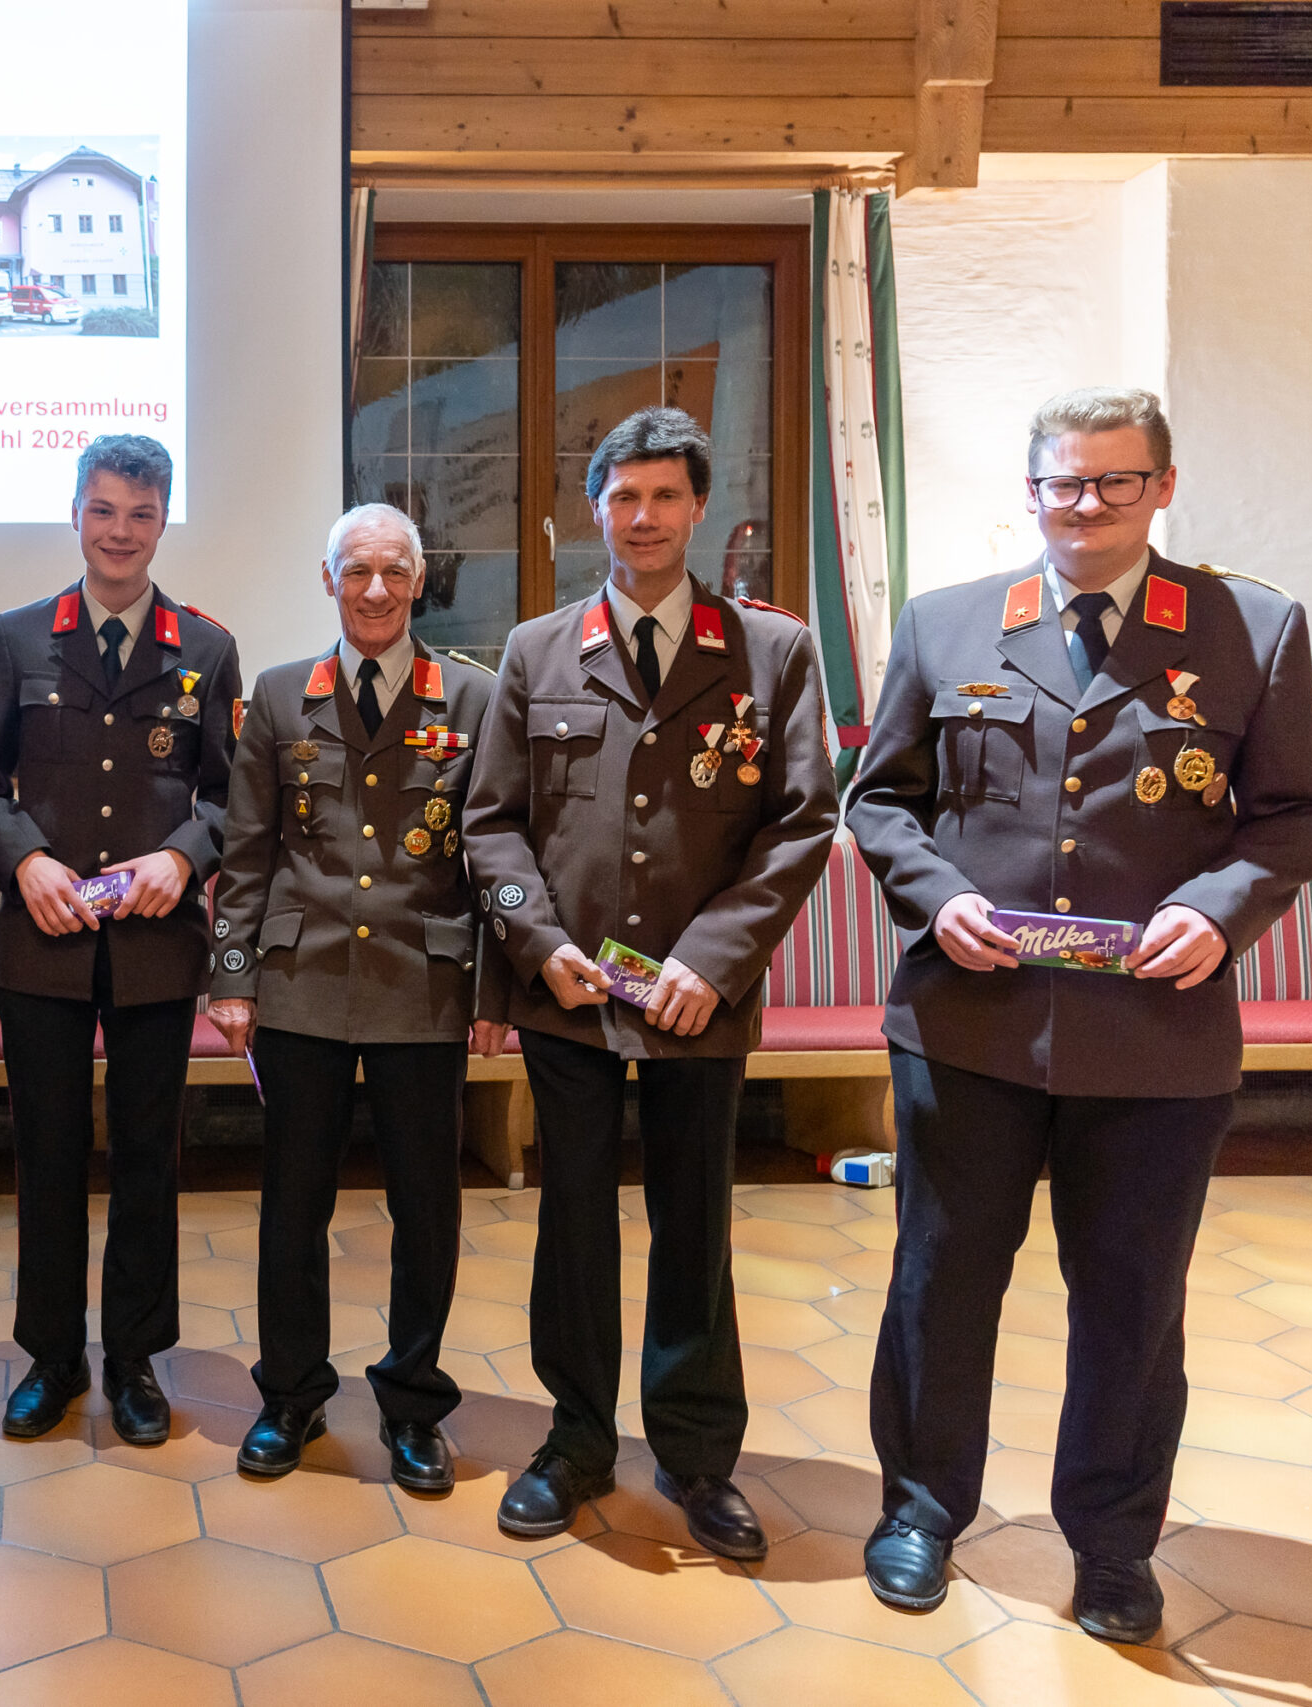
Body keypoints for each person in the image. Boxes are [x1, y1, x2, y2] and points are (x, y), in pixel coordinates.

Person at [846, 387, 1312, 1641]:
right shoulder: (948, 621)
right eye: (1064, 482)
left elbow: (1297, 817)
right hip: (970, 1025)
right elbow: (880, 799)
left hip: (1155, 1040)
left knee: (1130, 1304)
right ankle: (919, 1510)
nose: (1087, 504)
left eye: (1116, 481)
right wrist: (937, 897)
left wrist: (1218, 910)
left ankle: (1114, 1546)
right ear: (1031, 492)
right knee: (939, 1282)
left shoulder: (1249, 628)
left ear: (1161, 487)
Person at [463, 407, 837, 1550]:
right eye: (623, 497)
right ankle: (574, 1442)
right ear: (595, 510)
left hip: (696, 1002)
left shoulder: (771, 652)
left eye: (665, 496)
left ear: (697, 507)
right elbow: (491, 824)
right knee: (572, 1225)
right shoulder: (537, 650)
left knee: (694, 1230)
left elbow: (801, 822)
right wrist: (539, 946)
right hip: (570, 996)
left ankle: (696, 1458)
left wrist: (711, 963)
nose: (643, 517)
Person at [207, 503, 503, 1491]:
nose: (375, 589)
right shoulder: (279, 694)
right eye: (356, 571)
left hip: (425, 985)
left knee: (427, 1207)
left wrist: (495, 988)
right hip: (300, 986)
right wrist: (233, 976)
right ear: (326, 578)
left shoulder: (472, 697)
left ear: (419, 580)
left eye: (394, 571)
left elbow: (496, 852)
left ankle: (413, 1403)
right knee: (293, 1203)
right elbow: (248, 851)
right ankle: (290, 1393)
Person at [0, 435, 242, 1445]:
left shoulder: (204, 645)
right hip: (43, 941)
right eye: (104, 510)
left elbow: (229, 796)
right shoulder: (19, 636)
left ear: (162, 521)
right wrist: (25, 862)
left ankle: (134, 1359)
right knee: (45, 1155)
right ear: (76, 513)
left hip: (156, 946)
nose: (120, 532)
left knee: (146, 1159)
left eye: (140, 514)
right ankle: (50, 1357)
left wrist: (184, 856)